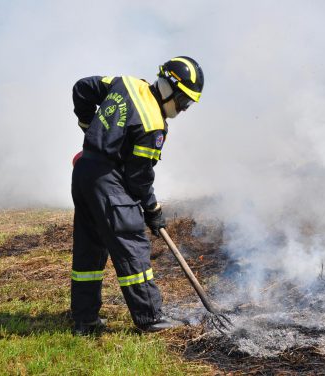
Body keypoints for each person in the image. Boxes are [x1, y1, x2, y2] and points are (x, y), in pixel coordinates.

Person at [70, 56, 204, 335]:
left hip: (84, 174)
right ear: (169, 88)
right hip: (109, 183)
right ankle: (150, 317)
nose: (184, 108)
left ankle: (85, 320)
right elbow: (138, 178)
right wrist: (153, 211)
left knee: (89, 248)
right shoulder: (153, 125)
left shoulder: (126, 84)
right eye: (183, 101)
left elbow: (82, 88)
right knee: (131, 244)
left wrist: (90, 130)